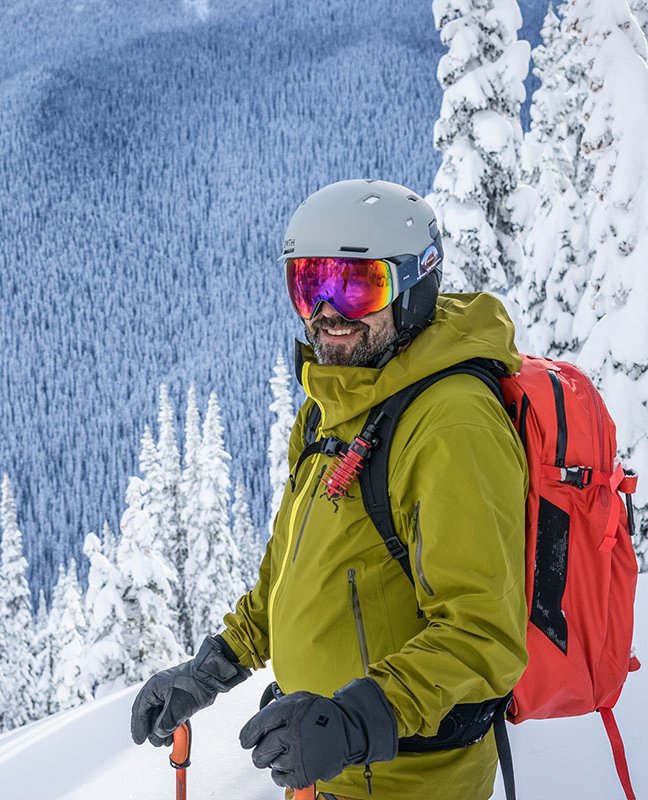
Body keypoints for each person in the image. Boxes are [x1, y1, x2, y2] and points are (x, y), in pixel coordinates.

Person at [131, 179, 529, 800]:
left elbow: (483, 635)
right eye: (308, 286)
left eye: (354, 285)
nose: (326, 312)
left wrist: (350, 721)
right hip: (326, 775)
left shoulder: (450, 425)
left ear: (413, 285)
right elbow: (291, 573)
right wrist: (212, 669)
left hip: (412, 784)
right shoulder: (333, 405)